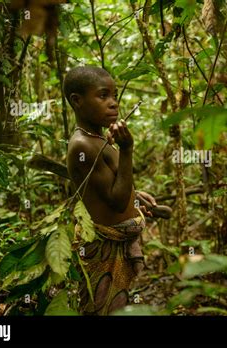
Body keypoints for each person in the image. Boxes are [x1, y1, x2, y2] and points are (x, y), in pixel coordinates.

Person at [65, 66, 156, 315]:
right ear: (77, 101)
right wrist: (127, 150)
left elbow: (112, 189)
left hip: (120, 245)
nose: (113, 104)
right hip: (103, 251)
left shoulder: (99, 138)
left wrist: (135, 198)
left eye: (114, 96)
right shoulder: (83, 146)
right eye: (103, 96)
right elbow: (116, 201)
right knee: (105, 309)